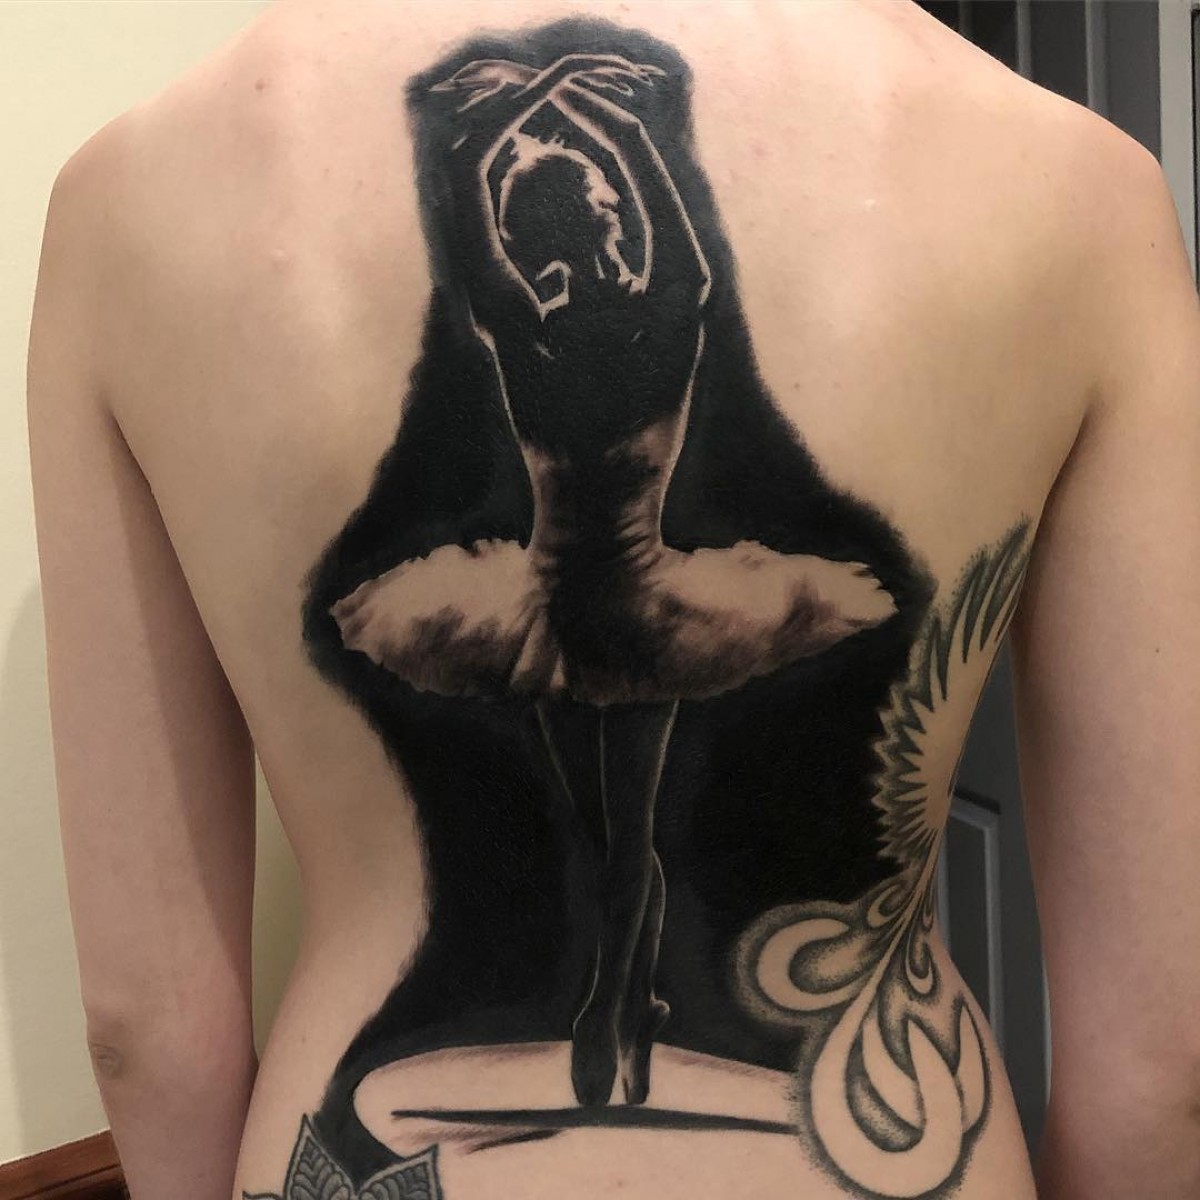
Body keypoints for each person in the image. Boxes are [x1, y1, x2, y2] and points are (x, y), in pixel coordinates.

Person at [26, 3, 1200, 1200]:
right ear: (610, 224)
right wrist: (608, 117)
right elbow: (1162, 1073)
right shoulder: (1080, 190)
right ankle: (622, 1009)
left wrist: (511, 121)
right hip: (649, 606)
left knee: (600, 833)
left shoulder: (130, 200)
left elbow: (145, 1030)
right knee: (631, 831)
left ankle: (606, 1009)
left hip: (541, 605)